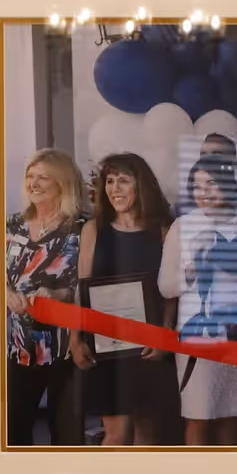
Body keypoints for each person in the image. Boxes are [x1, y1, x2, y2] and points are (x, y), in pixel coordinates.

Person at [75, 153, 179, 446]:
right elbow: (80, 289)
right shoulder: (94, 230)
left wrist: (165, 333)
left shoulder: (163, 229)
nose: (115, 188)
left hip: (150, 345)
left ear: (140, 184)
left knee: (149, 436)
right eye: (109, 181)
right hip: (106, 348)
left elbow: (170, 290)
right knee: (115, 435)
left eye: (123, 180)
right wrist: (75, 338)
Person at [159, 141, 237, 445]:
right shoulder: (181, 226)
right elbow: (165, 286)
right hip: (194, 334)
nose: (204, 193)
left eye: (211, 184)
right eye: (197, 186)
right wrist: (190, 274)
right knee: (197, 417)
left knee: (232, 418)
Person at [4, 150, 86, 448]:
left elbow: (92, 285)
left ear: (62, 183)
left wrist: (57, 294)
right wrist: (7, 294)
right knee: (14, 429)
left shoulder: (82, 228)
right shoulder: (11, 226)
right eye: (30, 176)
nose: (33, 183)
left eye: (43, 177)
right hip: (20, 345)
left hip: (67, 345)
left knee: (67, 435)